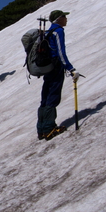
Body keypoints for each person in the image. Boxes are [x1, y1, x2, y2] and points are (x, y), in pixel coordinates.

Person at [37, 10, 81, 140]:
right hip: (56, 67)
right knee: (53, 96)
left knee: (45, 96)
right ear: (58, 19)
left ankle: (41, 129)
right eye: (64, 17)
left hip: (47, 67)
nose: (66, 19)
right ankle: (49, 128)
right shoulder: (58, 31)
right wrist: (70, 68)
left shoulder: (46, 32)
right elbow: (61, 52)